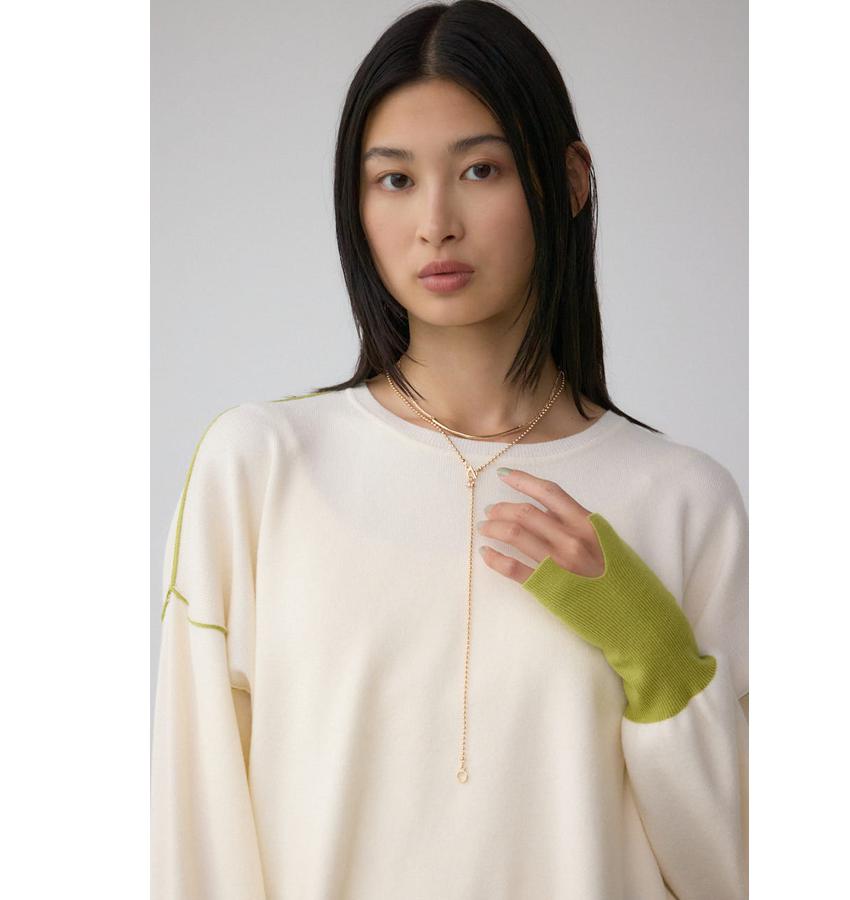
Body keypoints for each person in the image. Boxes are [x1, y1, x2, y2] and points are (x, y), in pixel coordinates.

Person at [150, 2, 749, 898]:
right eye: (394, 180)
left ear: (570, 180)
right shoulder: (261, 468)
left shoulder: (685, 500)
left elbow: (742, 872)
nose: (435, 222)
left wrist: (655, 655)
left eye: (480, 170)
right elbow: (196, 828)